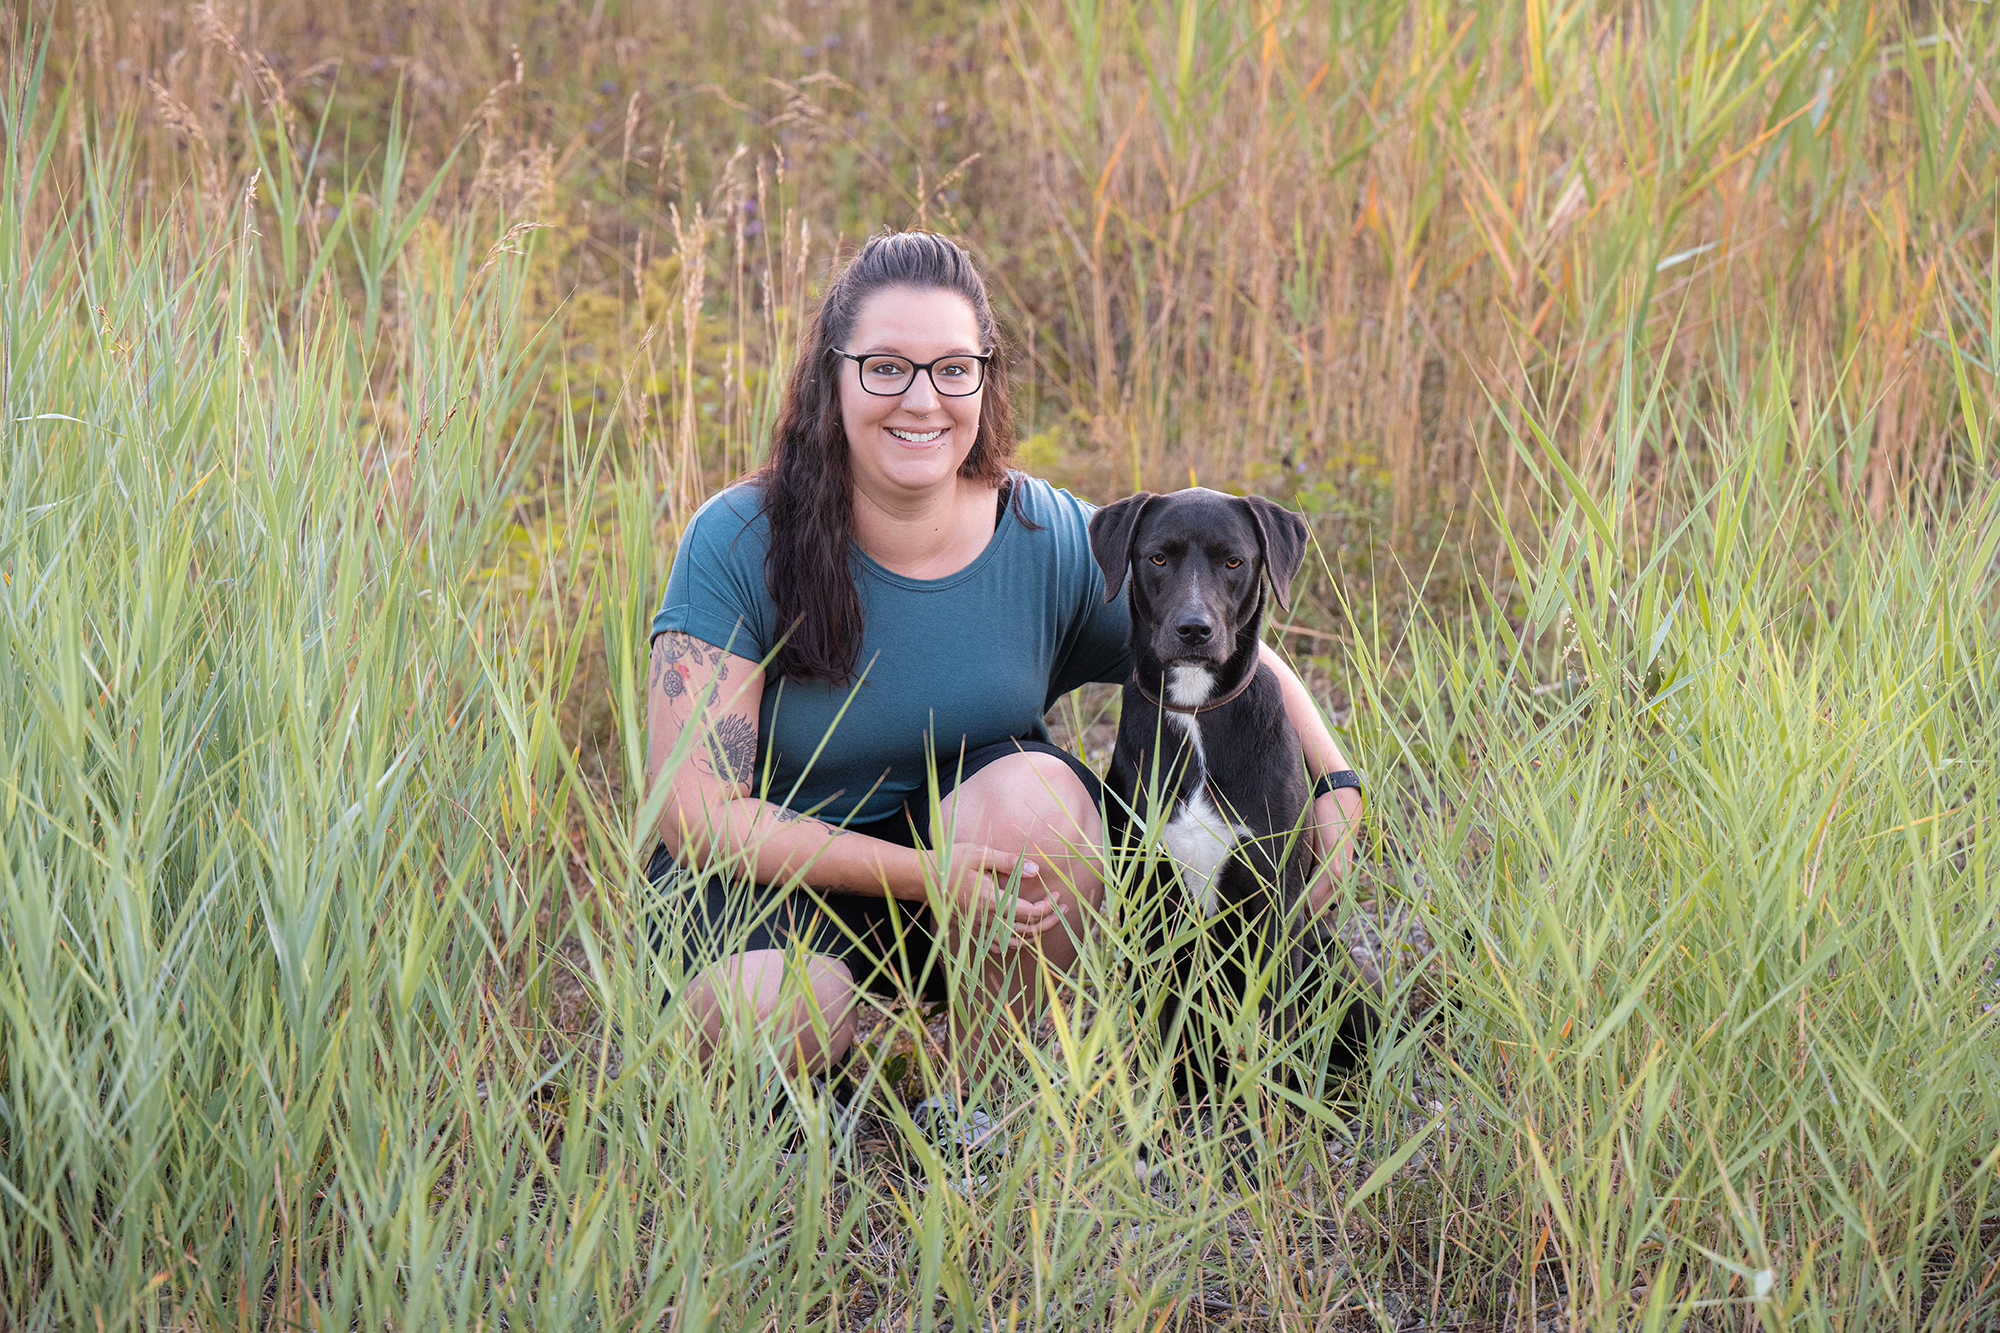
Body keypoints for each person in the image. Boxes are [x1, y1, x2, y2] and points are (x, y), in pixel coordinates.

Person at [644, 230, 1364, 1114]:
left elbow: (1207, 637)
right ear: (831, 379)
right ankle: (777, 1108)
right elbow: (695, 815)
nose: (922, 400)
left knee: (1040, 806)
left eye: (953, 368)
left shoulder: (1040, 535)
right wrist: (918, 873)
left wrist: (1335, 779)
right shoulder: (740, 538)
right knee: (785, 1008)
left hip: (974, 892)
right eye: (885, 367)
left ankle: (985, 1112)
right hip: (772, 888)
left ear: (986, 379)